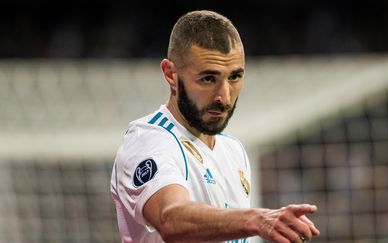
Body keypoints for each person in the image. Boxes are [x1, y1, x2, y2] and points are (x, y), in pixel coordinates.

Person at [110, 10, 320, 243]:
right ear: (171, 74)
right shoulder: (149, 141)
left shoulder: (233, 149)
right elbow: (171, 219)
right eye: (208, 79)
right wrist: (257, 220)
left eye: (234, 77)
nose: (224, 97)